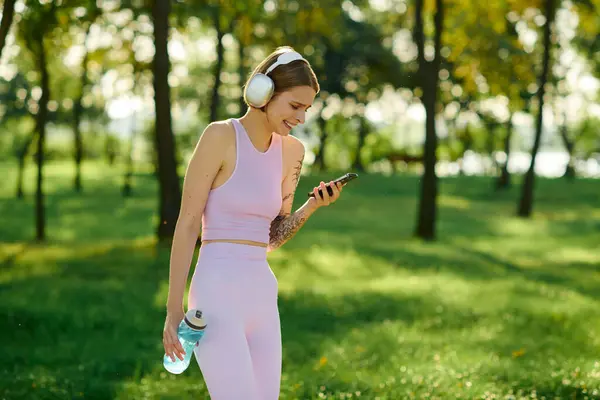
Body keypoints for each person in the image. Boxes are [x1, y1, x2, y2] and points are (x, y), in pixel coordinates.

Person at [162, 46, 346, 399]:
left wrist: (311, 206)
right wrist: (174, 310)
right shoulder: (219, 137)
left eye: (307, 109)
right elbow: (187, 225)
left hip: (262, 293)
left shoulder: (292, 152)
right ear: (263, 92)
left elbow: (271, 237)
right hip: (216, 295)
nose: (301, 118)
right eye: (295, 106)